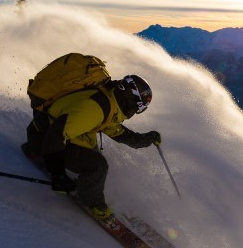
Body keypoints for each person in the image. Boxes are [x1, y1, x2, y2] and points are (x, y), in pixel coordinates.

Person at [23, 74, 161, 225]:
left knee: (94, 154)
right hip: (43, 138)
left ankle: (87, 188)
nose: (135, 111)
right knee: (98, 166)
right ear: (131, 99)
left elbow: (120, 134)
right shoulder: (97, 108)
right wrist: (59, 176)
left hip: (45, 133)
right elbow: (56, 134)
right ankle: (93, 203)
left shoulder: (110, 103)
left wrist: (148, 139)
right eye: (139, 106)